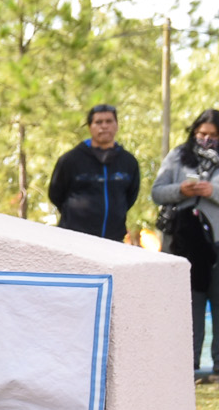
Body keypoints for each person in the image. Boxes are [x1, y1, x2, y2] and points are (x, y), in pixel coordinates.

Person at [155, 108, 219, 374]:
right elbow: (157, 192)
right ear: (194, 131)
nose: (206, 139)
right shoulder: (178, 156)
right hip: (184, 242)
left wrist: (211, 191)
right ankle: (188, 365)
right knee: (189, 305)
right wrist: (181, 190)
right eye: (202, 133)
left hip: (215, 245)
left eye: (213, 135)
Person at [48, 104, 142, 243]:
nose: (104, 126)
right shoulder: (71, 160)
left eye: (109, 121)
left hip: (113, 240)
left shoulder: (128, 162)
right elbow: (56, 194)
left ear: (116, 125)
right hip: (75, 239)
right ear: (90, 127)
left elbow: (130, 196)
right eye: (98, 122)